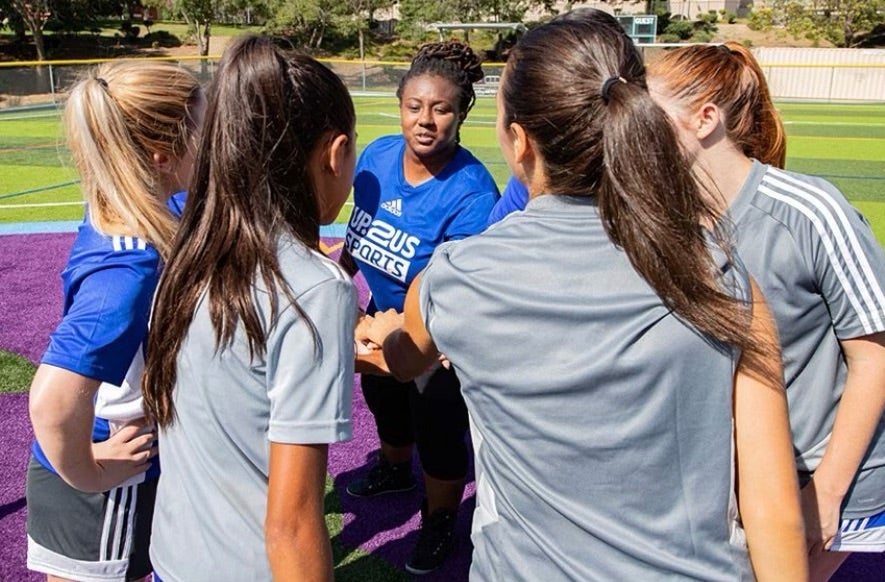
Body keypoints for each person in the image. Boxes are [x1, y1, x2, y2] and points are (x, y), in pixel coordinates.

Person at [360, 13, 808, 580]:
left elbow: (404, 360)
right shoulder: (721, 270)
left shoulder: (454, 277)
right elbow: (772, 508)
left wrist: (384, 331)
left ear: (519, 143)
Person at [647, 41, 885, 582]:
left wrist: (822, 494)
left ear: (704, 119)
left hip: (815, 474)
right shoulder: (666, 221)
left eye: (650, 117)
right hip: (735, 473)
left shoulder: (810, 210)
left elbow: (875, 358)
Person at [140, 35, 357, 581]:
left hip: (173, 557)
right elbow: (292, 523)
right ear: (334, 154)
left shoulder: (188, 250)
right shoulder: (315, 288)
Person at [26, 61, 203, 581]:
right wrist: (90, 468)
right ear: (160, 154)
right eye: (205, 127)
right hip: (103, 480)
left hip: (127, 462)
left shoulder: (135, 199)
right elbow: (52, 402)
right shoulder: (126, 271)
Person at [339, 40, 499, 574]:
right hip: (378, 316)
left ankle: (439, 523)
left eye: (441, 108)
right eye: (415, 106)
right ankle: (392, 466)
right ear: (400, 105)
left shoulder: (472, 192)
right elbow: (359, 235)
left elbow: (458, 289)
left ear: (462, 113)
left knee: (439, 429)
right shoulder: (377, 156)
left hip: (436, 336)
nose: (425, 120)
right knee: (382, 396)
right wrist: (340, 280)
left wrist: (438, 345)